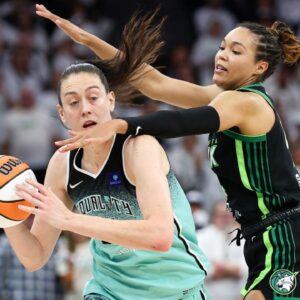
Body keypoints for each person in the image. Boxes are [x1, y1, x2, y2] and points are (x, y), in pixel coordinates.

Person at [35, 4, 300, 300]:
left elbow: (182, 121)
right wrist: (89, 41)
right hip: (260, 235)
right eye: (222, 46)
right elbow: (154, 83)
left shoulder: (248, 103)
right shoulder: (224, 97)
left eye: (236, 51)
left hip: (285, 231)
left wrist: (120, 125)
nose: (222, 54)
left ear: (259, 68)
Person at [7, 62, 209, 299]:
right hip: (109, 291)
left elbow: (160, 236)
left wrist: (69, 219)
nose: (85, 109)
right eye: (73, 102)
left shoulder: (138, 147)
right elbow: (35, 257)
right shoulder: (62, 165)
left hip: (174, 289)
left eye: (93, 98)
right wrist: (6, 215)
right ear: (62, 113)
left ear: (110, 101)